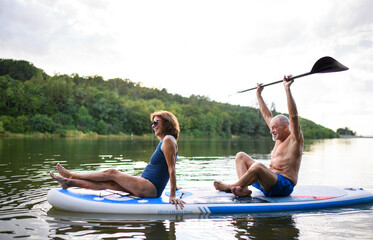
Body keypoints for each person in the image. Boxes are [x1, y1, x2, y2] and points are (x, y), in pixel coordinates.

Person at [50, 110, 185, 209]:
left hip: (149, 187)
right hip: (147, 185)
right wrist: (173, 186)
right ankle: (69, 182)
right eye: (152, 123)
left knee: (111, 173)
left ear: (167, 124)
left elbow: (171, 168)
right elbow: (165, 169)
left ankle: (71, 174)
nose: (153, 126)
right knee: (109, 183)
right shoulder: (166, 141)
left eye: (156, 122)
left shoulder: (168, 140)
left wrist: (172, 194)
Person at [214, 76, 304, 197]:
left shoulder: (295, 139)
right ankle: (243, 189)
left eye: (275, 128)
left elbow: (293, 116)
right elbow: (267, 115)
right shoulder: (278, 138)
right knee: (240, 156)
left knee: (258, 166)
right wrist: (258, 95)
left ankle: (231, 186)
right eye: (271, 128)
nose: (271, 131)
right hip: (269, 181)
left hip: (283, 186)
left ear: (286, 126)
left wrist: (287, 89)